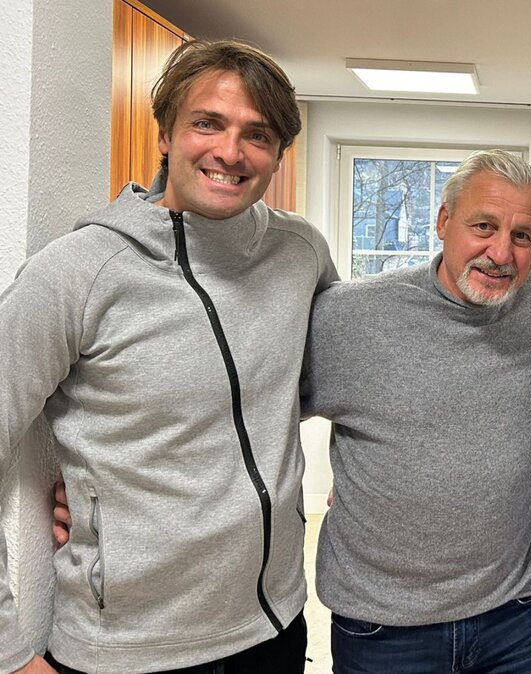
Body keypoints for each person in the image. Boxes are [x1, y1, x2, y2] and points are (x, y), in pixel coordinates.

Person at [0, 40, 336, 674]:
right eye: (208, 123)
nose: (230, 152)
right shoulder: (77, 273)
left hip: (276, 627)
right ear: (164, 134)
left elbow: (330, 380)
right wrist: (11, 655)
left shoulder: (301, 253)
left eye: (257, 134)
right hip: (127, 651)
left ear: (277, 154)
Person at [301, 149, 531, 674]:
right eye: (483, 226)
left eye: (522, 236)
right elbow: (259, 415)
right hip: (384, 624)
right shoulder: (349, 315)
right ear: (444, 221)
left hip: (509, 615)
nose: (500, 252)